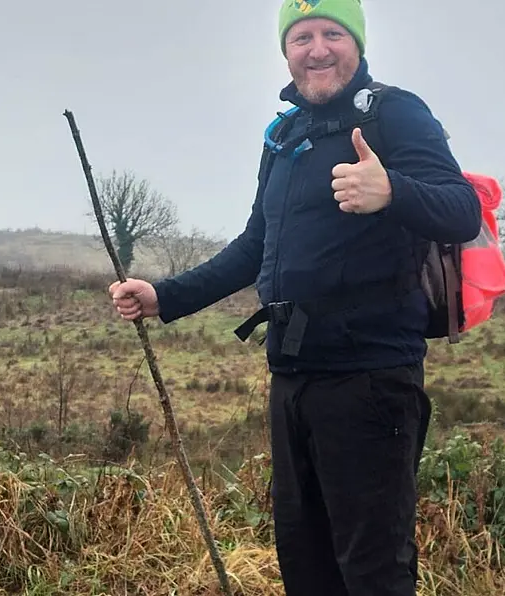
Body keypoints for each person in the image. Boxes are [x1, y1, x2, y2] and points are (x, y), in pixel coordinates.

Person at [109, 0, 482, 594]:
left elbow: (463, 211)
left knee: (373, 569)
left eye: (333, 32)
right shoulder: (284, 135)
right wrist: (165, 296)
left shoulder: (396, 113)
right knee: (304, 562)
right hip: (292, 375)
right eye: (302, 35)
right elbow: (257, 244)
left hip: (370, 381)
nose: (317, 49)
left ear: (356, 43)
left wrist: (392, 189)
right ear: (286, 50)